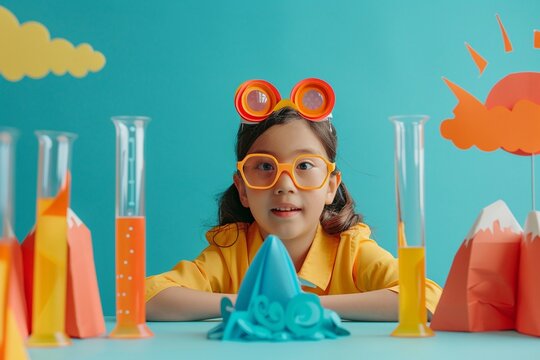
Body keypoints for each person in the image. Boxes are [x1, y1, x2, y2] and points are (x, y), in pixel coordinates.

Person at [145, 79, 442, 322]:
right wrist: (252, 302)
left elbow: (427, 298)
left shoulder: (351, 251)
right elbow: (144, 296)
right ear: (243, 190)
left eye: (303, 166)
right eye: (264, 167)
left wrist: (300, 304)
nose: (284, 186)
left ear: (330, 186)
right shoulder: (231, 252)